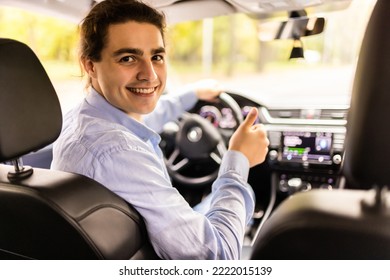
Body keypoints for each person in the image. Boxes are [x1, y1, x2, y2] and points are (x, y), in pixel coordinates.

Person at [51, 0, 269, 260]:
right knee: (246, 195)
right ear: (90, 65)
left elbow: (145, 119)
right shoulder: (117, 152)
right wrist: (238, 162)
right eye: (128, 58)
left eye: (156, 56)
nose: (151, 75)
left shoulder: (83, 120)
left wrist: (192, 94)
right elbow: (217, 259)